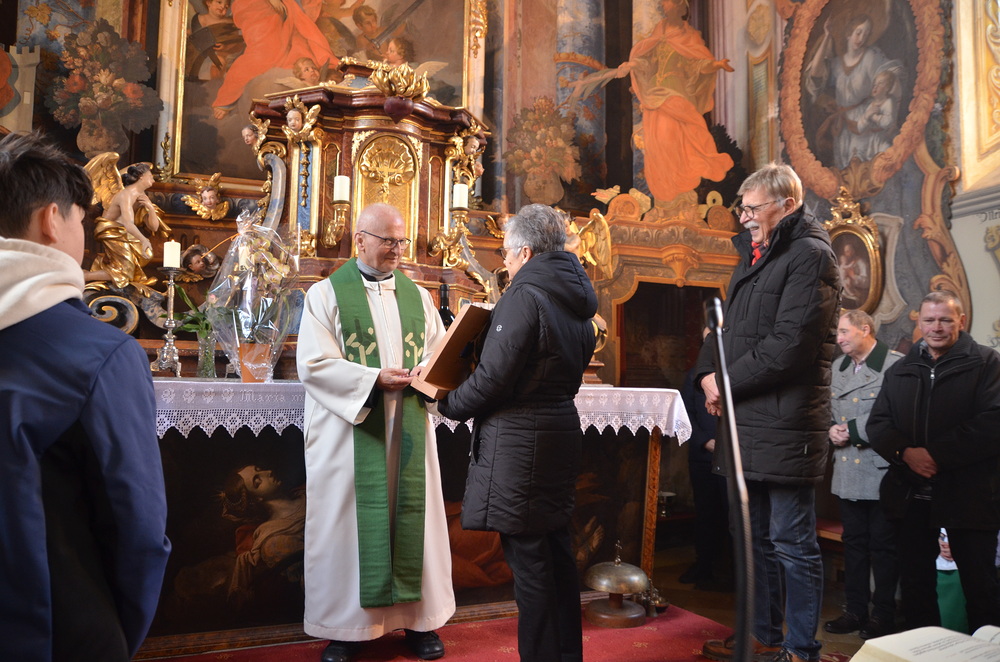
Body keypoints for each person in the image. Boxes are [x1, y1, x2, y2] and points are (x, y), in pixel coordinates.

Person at [0, 132, 171, 661]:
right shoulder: (101, 354)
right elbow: (138, 524)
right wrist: (116, 633)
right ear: (52, 220)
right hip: (54, 623)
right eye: (82, 219)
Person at [438, 204, 598, 662]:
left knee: (530, 571)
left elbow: (494, 378)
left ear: (526, 252)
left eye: (507, 253)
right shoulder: (577, 299)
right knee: (557, 558)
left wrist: (446, 403)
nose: (504, 262)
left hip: (521, 443)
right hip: (558, 433)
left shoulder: (525, 295)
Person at [296, 203, 454, 662]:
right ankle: (346, 628)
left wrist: (426, 372)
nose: (397, 249)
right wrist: (370, 380)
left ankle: (420, 623)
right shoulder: (325, 294)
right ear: (360, 239)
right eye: (388, 241)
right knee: (347, 526)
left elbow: (438, 353)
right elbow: (314, 364)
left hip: (408, 426)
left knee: (414, 518)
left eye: (402, 241)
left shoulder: (418, 297)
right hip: (351, 430)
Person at [696, 163, 841, 662]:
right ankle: (763, 636)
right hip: (747, 419)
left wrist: (725, 382)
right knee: (751, 537)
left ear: (788, 205)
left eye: (753, 209)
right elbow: (726, 330)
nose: (744, 218)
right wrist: (706, 374)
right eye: (743, 208)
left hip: (787, 422)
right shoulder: (756, 255)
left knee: (791, 542)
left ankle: (801, 648)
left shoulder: (811, 256)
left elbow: (789, 346)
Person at [868, 291, 1000, 634]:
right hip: (910, 497)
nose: (936, 327)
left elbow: (993, 422)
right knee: (916, 589)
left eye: (945, 319)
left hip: (969, 498)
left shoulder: (988, 363)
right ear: (919, 323)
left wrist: (936, 455)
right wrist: (906, 453)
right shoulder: (900, 369)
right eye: (929, 320)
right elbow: (878, 424)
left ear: (961, 321)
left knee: (981, 590)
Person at [822, 310, 902, 640]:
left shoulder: (894, 365)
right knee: (853, 545)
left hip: (880, 471)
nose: (838, 338)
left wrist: (852, 431)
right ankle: (855, 611)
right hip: (846, 470)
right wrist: (831, 429)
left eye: (844, 332)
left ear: (865, 329)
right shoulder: (838, 367)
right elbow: (825, 409)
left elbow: (896, 415)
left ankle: (883, 615)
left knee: (883, 547)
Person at [614, 0, 734, 203]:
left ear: (680, 6)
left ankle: (679, 191)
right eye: (662, 2)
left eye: (667, 2)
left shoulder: (689, 36)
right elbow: (647, 61)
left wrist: (716, 65)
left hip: (676, 95)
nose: (663, 5)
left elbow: (698, 64)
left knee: (673, 140)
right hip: (654, 99)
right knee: (657, 145)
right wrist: (632, 64)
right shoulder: (658, 32)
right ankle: (665, 198)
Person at [211, 0, 335, 118]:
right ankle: (227, 96)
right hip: (259, 7)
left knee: (297, 46)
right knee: (262, 54)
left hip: (281, 8)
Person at [678, 329, 731, 592]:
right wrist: (703, 441)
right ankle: (704, 565)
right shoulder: (694, 375)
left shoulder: (736, 372)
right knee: (705, 514)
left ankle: (730, 571)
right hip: (702, 456)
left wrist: (723, 444)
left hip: (732, 457)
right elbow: (685, 412)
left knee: (731, 515)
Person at [804, 14, 894, 169]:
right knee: (845, 171)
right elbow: (815, 73)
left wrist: (885, 112)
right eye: (858, 32)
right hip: (843, 127)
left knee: (866, 169)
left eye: (866, 34)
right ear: (848, 34)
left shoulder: (871, 57)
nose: (861, 38)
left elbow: (888, 80)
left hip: (865, 123)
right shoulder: (837, 64)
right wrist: (827, 36)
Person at [220, 464, 306, 607]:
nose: (269, 472)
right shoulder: (275, 540)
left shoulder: (305, 493)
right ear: (257, 499)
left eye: (260, 470)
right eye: (257, 480)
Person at [86, 162, 164, 296]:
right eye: (150, 176)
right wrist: (144, 239)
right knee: (124, 272)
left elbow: (154, 227)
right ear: (141, 177)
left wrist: (150, 208)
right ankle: (86, 276)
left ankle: (114, 270)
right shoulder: (126, 194)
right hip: (110, 230)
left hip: (124, 232)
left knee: (146, 254)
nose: (153, 180)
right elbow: (128, 223)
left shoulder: (142, 195)